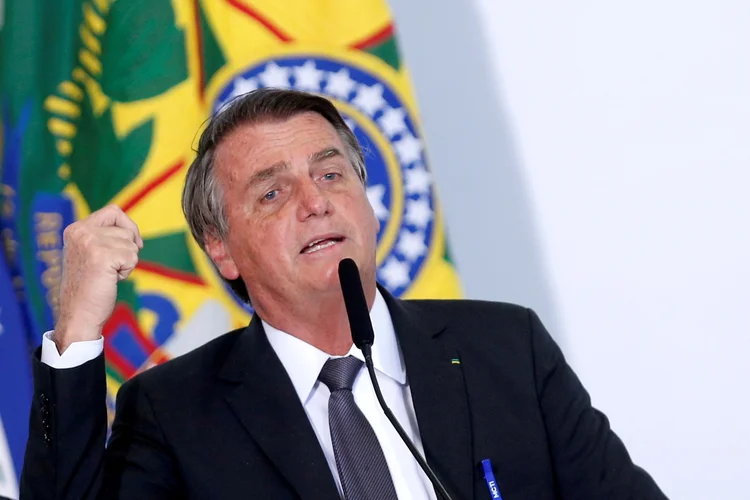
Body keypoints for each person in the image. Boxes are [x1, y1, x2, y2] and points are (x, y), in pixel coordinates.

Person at [20, 88, 668, 500]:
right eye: (272, 192)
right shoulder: (174, 414)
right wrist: (77, 330)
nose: (316, 201)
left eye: (331, 173)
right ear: (220, 248)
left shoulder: (506, 349)